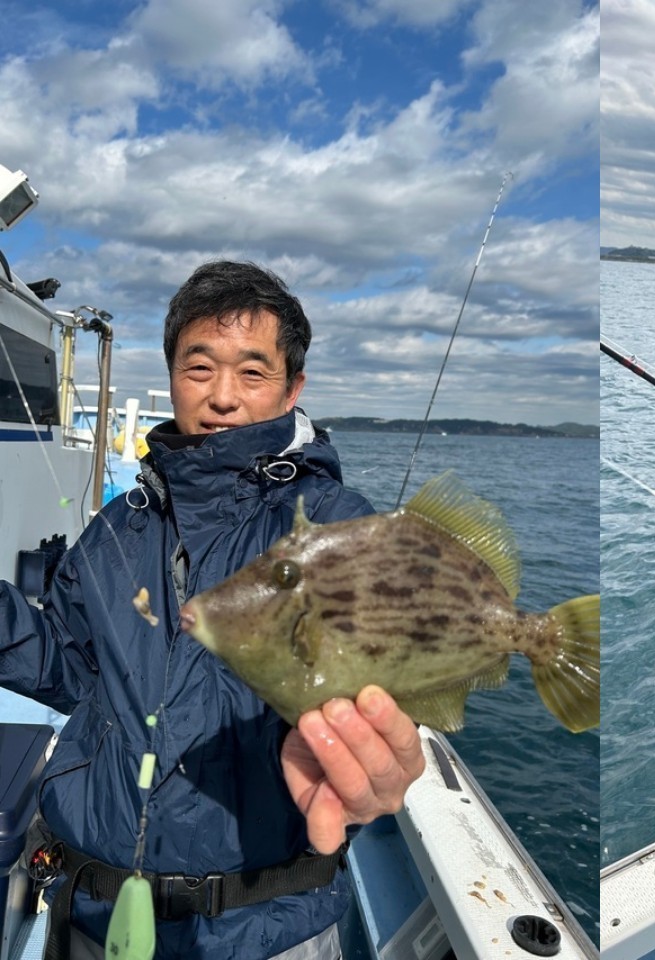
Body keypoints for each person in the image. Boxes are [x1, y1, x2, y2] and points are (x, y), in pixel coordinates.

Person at [0, 261, 424, 959]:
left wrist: (377, 763)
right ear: (171, 375)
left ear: (294, 389)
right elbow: (68, 666)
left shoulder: (333, 529)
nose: (223, 397)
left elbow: (386, 680)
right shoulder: (118, 526)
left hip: (261, 932)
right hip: (92, 914)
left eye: (253, 373)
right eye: (200, 367)